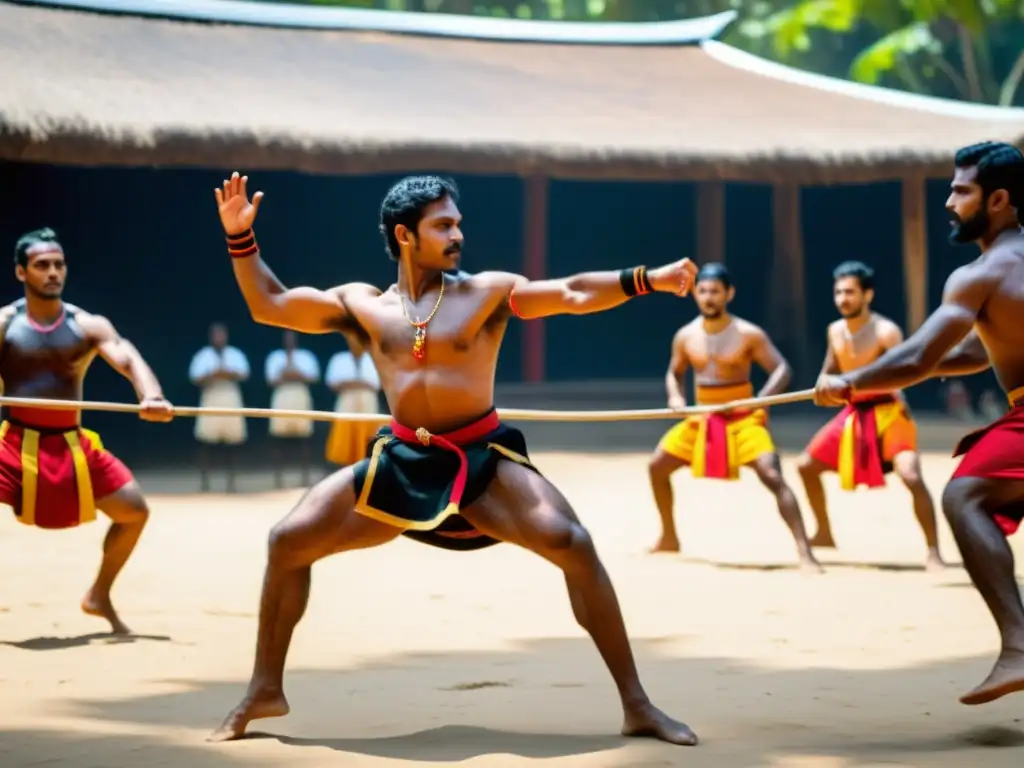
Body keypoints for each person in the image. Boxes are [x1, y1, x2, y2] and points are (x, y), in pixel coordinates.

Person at [207, 171, 700, 745]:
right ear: (405, 234)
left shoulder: (486, 292)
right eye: (443, 225)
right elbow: (271, 305)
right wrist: (241, 239)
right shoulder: (362, 305)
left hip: (481, 459)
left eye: (458, 222)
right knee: (288, 540)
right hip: (402, 459)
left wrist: (648, 279)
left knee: (573, 543)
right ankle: (265, 688)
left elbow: (570, 293)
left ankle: (637, 704)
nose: (458, 234)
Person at [814, 141, 1024, 706]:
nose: (950, 201)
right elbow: (983, 352)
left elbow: (916, 356)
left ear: (999, 200)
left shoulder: (979, 273)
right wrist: (919, 370)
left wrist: (850, 383)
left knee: (966, 497)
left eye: (962, 191)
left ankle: (1019, 645)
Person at [0, 228, 174, 634]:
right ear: (21, 273)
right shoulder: (5, 324)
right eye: (42, 265)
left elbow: (127, 356)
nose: (53, 272)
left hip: (69, 445)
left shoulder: (86, 325)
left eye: (59, 264)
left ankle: (98, 594)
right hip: (12, 444)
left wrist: (151, 394)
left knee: (134, 511)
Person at [647, 263, 820, 572]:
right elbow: (674, 372)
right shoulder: (685, 335)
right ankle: (669, 536)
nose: (708, 297)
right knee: (657, 466)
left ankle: (804, 551)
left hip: (742, 416)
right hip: (701, 417)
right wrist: (675, 396)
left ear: (729, 294)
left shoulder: (748, 333)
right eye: (702, 291)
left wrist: (761, 399)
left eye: (714, 291)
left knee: (772, 474)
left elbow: (782, 369)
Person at [797, 261, 945, 571]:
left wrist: (854, 382)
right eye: (838, 292)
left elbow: (904, 373)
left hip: (889, 411)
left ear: (868, 294)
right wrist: (823, 387)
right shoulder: (834, 330)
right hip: (854, 413)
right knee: (806, 466)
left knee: (911, 474)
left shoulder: (886, 331)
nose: (842, 299)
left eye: (850, 292)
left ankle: (933, 551)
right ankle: (824, 533)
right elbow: (830, 370)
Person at [188, 323, 250, 492]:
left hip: (230, 396)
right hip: (211, 396)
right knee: (205, 440)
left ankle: (231, 483)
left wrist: (226, 373)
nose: (219, 338)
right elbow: (195, 378)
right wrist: (213, 374)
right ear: (211, 337)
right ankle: (205, 483)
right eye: (216, 335)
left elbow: (244, 374)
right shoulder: (203, 356)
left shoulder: (235, 354)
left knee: (233, 441)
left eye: (221, 334)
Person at [264, 330, 320, 488]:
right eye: (286, 337)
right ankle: (278, 480)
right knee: (278, 437)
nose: (289, 340)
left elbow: (312, 377)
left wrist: (292, 374)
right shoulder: (275, 357)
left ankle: (305, 478)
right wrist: (291, 374)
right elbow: (272, 379)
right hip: (282, 396)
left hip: (300, 394)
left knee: (304, 437)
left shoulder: (306, 357)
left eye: (292, 337)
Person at [324, 333, 386, 468]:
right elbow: (332, 382)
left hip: (368, 403)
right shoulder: (339, 359)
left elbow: (378, 384)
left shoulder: (373, 359)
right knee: (345, 440)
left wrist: (354, 383)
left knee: (368, 439)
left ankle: (368, 473)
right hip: (346, 403)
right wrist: (359, 383)